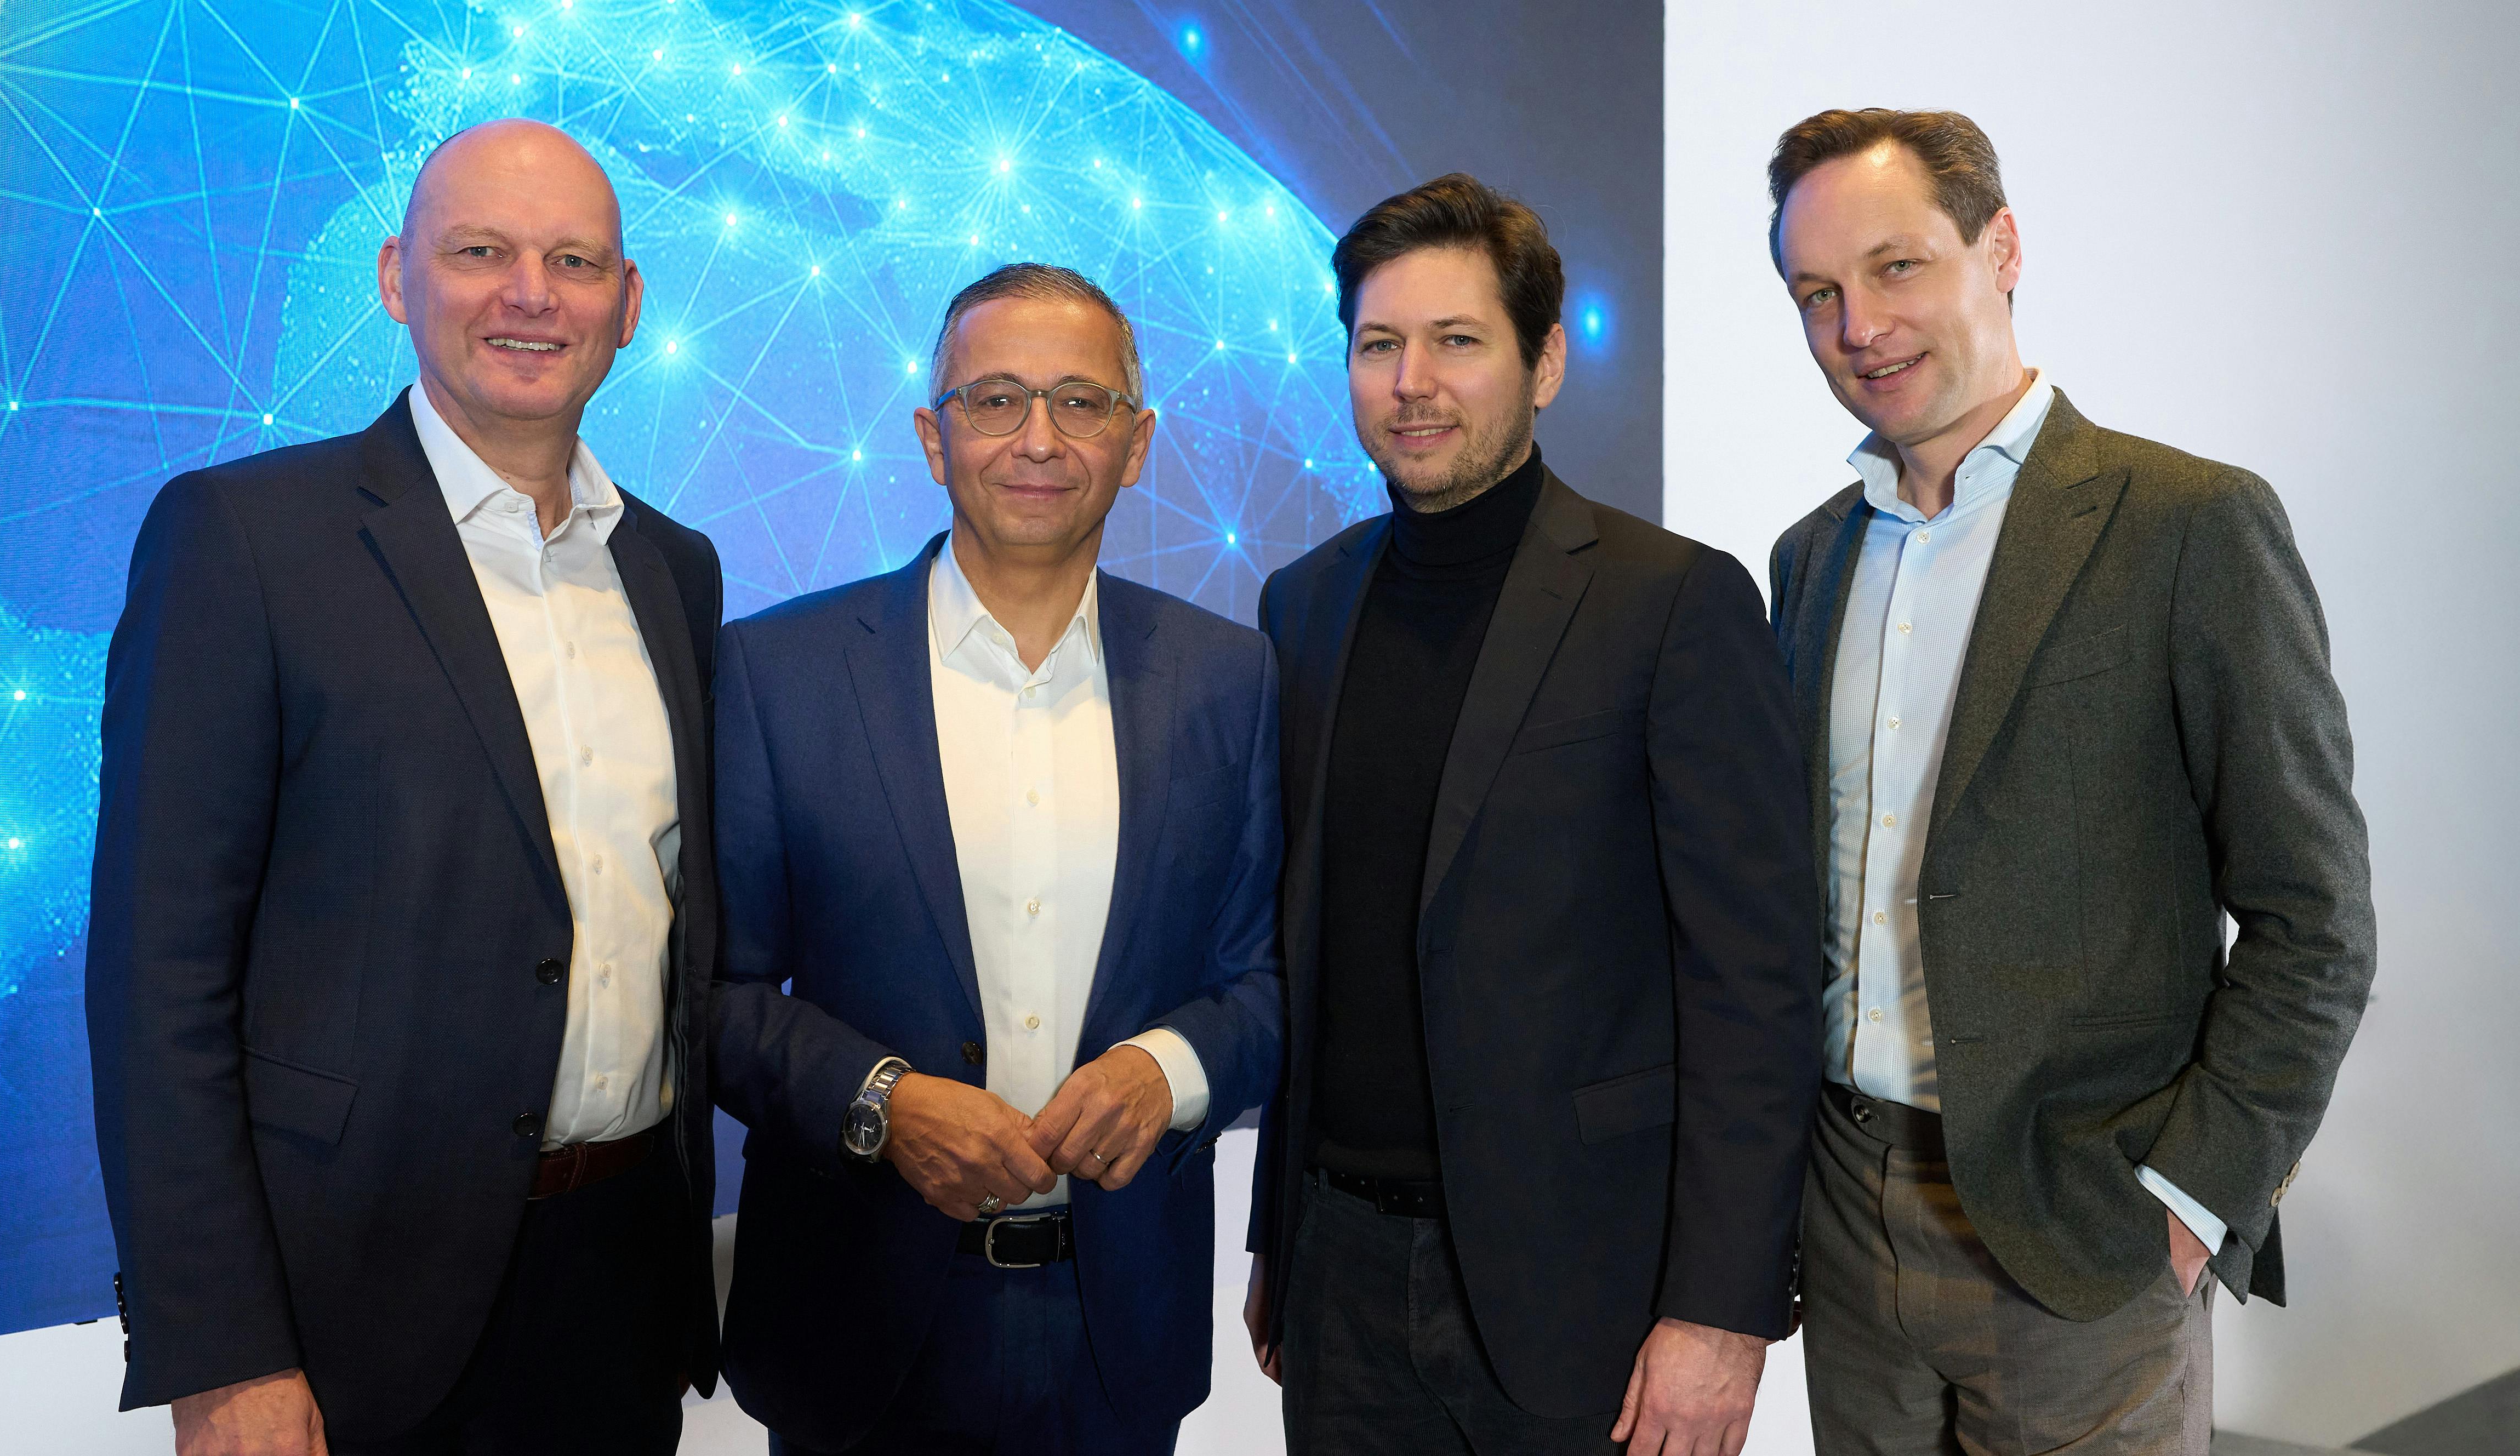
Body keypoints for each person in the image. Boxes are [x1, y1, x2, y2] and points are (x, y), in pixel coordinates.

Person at [86, 118, 722, 1455]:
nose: (530, 294)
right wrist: (224, 1353)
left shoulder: (675, 568)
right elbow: (159, 982)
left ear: (629, 304)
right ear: (395, 276)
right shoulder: (245, 540)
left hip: (621, 1290)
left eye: (574, 260)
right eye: (479, 251)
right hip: (345, 1323)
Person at [1762, 108, 2378, 1452]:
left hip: (2082, 1235)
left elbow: (2314, 919)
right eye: (1817, 293)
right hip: (1845, 1218)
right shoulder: (1807, 563)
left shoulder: (2188, 523)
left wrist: (2190, 1203)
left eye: (1896, 266)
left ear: (2001, 247)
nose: (1858, 324)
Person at [1242, 173, 1822, 1456]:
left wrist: (1720, 1314)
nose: (1412, 382)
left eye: (1458, 341)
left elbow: (1756, 984)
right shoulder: (1303, 607)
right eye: (1378, 345)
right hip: (1337, 1274)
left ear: (1544, 362)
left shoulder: (1672, 602)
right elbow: (1306, 942)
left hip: (1590, 1297)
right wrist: (1276, 1236)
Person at [709, 262, 1284, 1455]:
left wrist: (1167, 1072)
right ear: (931, 437)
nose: (1038, 439)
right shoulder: (777, 674)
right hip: (854, 1322)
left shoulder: (1229, 678)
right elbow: (713, 997)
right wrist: (880, 1104)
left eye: (1081, 402)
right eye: (995, 399)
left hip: (1115, 1328)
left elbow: (1269, 980)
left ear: (1136, 444)